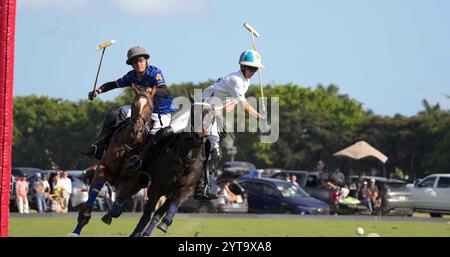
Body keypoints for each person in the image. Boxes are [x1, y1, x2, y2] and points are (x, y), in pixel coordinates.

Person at [126, 50, 266, 200]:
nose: (252, 72)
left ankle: (201, 186)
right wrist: (259, 116)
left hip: (210, 114)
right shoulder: (236, 80)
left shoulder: (246, 82)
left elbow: (233, 105)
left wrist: (216, 114)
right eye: (250, 68)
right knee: (168, 131)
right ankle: (141, 159)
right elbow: (244, 106)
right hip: (199, 108)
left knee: (216, 152)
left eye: (255, 69)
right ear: (242, 66)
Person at [80, 46, 176, 159]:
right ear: (131, 64)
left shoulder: (154, 73)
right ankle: (98, 147)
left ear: (146, 61)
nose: (138, 64)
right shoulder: (131, 76)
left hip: (160, 112)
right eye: (134, 62)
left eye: (140, 60)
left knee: (153, 138)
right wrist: (98, 91)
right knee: (113, 113)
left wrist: (151, 90)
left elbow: (166, 91)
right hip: (141, 110)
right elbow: (113, 84)